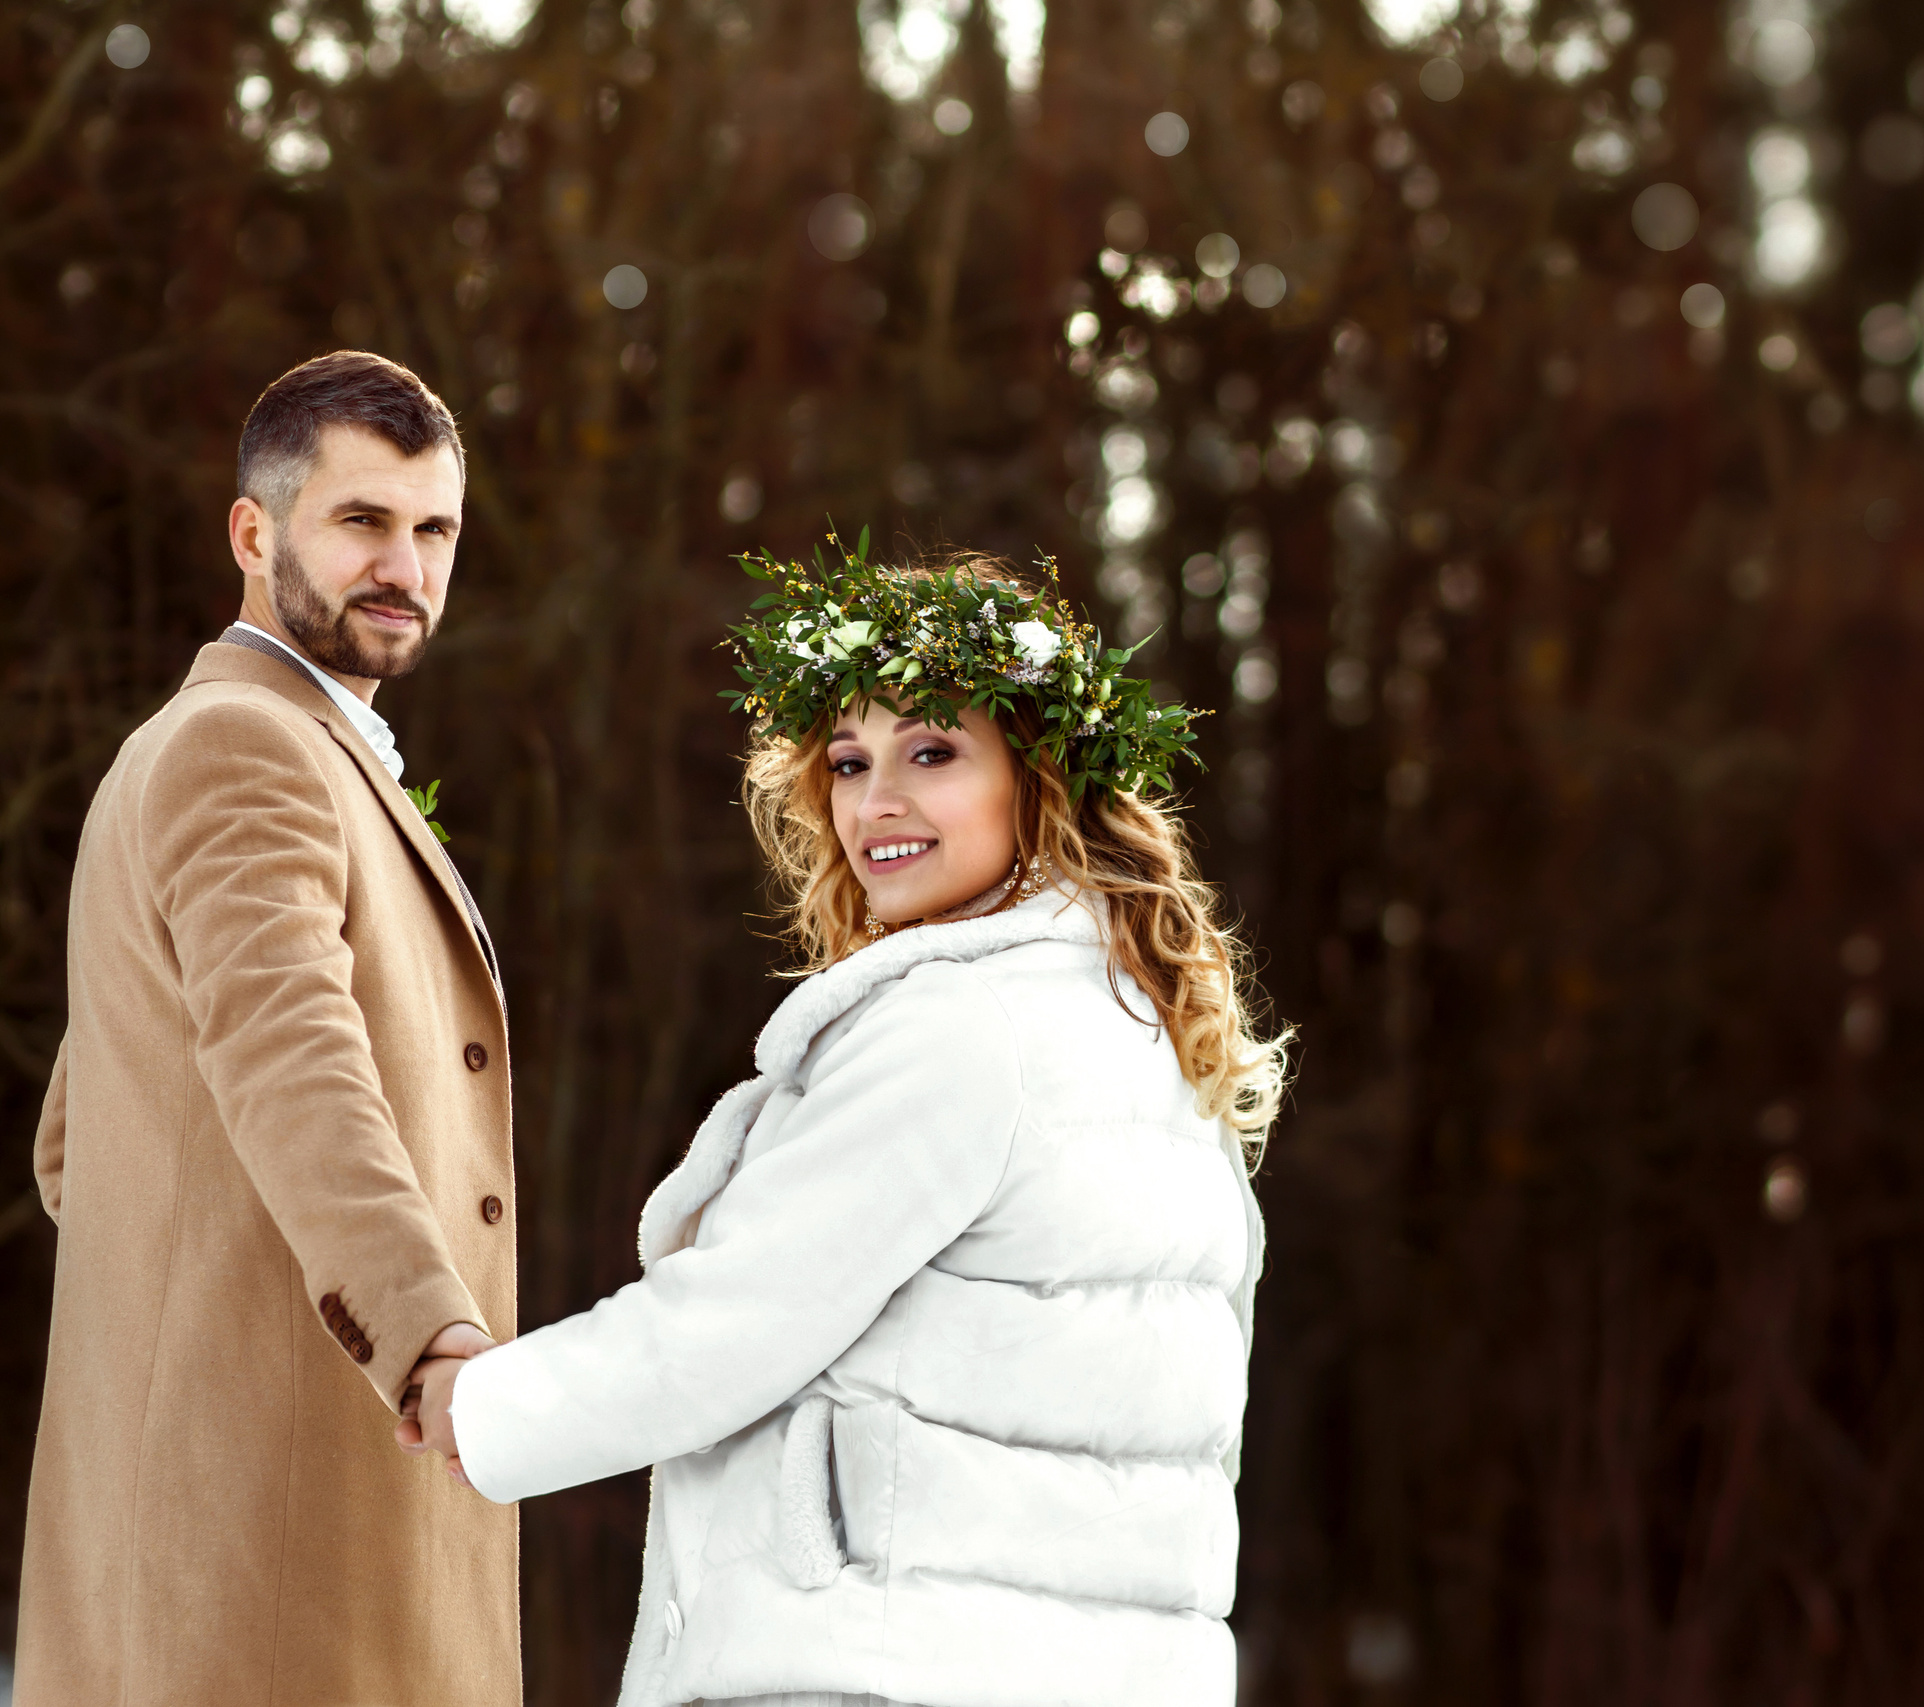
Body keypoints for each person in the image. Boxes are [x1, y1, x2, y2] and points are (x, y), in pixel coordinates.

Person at [405, 542, 1286, 1707]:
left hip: (885, 1663)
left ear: (1039, 774)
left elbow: (732, 1324)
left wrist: (478, 1407)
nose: (877, 803)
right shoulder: (1152, 1035)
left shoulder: (962, 1024)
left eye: (933, 752)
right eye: (850, 762)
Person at [17, 351, 519, 1704]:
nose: (404, 568)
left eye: (434, 529)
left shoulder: (207, 743)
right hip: (273, 1540)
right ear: (253, 533)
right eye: (361, 520)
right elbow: (294, 1059)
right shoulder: (246, 748)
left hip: (223, 1516)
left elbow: (75, 1143)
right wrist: (428, 1334)